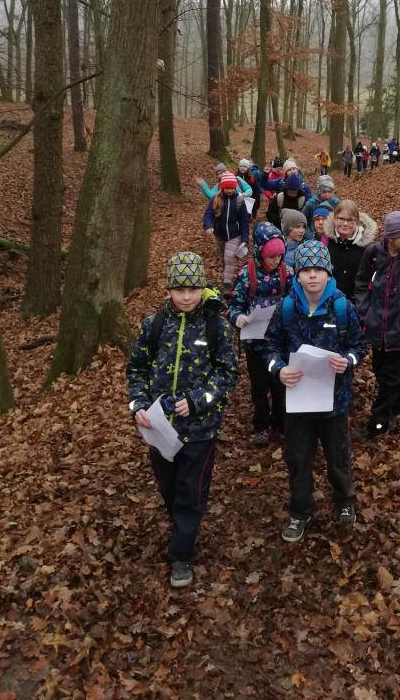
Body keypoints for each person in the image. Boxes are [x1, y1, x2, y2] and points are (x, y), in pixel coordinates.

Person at [127, 251, 238, 588]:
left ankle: (181, 554)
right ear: (169, 290)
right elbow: (137, 369)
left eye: (192, 289)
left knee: (191, 490)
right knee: (169, 486)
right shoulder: (154, 325)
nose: (186, 297)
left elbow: (227, 373)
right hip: (159, 428)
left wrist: (198, 401)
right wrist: (138, 405)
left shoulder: (216, 326)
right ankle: (182, 526)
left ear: (202, 288)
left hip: (200, 430)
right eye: (180, 290)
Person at [264, 240, 367, 542]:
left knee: (338, 455)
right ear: (296, 274)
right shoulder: (286, 308)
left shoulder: (342, 307)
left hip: (334, 402)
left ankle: (344, 501)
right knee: (298, 459)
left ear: (328, 273)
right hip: (297, 404)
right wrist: (279, 369)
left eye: (318, 270)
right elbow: (268, 347)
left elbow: (359, 346)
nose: (312, 275)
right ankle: (300, 511)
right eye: (306, 270)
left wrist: (348, 361)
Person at [355, 211, 400, 438]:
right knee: (380, 370)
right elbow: (361, 282)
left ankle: (378, 423)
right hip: (376, 327)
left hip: (399, 330)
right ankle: (399, 405)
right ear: (391, 237)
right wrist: (365, 313)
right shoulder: (373, 254)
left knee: (391, 378)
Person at [227, 223, 290, 447]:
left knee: (280, 385)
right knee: (259, 387)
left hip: (279, 342)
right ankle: (261, 425)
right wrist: (238, 318)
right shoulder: (247, 274)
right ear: (261, 253)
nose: (276, 260)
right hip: (254, 343)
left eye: (280, 256)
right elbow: (233, 306)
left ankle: (280, 423)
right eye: (272, 256)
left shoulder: (287, 272)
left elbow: (296, 299)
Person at [321, 199, 378, 300]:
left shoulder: (366, 246)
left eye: (351, 220)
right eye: (341, 219)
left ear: (357, 221)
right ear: (334, 218)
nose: (345, 224)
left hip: (358, 300)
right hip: (329, 299)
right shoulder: (325, 241)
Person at [203, 172, 249, 295]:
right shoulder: (216, 199)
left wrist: (244, 238)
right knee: (224, 259)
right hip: (219, 235)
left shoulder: (239, 200)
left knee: (229, 258)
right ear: (222, 187)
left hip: (234, 235)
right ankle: (227, 276)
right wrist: (209, 225)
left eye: (232, 188)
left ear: (235, 187)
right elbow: (208, 214)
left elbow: (244, 220)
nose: (229, 190)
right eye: (227, 188)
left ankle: (227, 285)